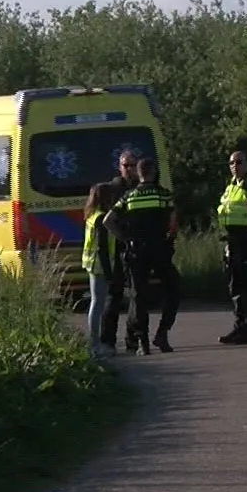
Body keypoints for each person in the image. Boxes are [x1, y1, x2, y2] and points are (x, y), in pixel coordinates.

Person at [106, 157, 180, 354]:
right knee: (173, 289)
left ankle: (142, 343)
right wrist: (169, 240)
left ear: (138, 174)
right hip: (159, 249)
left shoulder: (129, 196)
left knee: (139, 296)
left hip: (136, 250)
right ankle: (162, 333)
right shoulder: (163, 195)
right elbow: (173, 222)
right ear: (154, 172)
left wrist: (125, 238)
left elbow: (108, 220)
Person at [89, 147, 141, 351]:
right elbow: (107, 221)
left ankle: (132, 338)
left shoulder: (141, 187)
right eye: (125, 165)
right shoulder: (113, 189)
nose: (129, 169)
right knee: (114, 296)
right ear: (119, 167)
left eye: (132, 165)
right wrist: (123, 238)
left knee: (137, 295)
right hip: (118, 247)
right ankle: (107, 340)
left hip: (136, 247)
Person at [215, 149, 247, 345]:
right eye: (231, 163)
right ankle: (240, 326)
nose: (235, 166)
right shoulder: (230, 187)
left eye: (239, 162)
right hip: (232, 240)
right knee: (235, 285)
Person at [80, 183, 123, 358]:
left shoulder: (91, 215)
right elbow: (102, 248)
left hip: (92, 264)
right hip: (99, 265)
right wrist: (110, 274)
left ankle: (94, 344)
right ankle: (94, 345)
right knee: (97, 304)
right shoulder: (101, 218)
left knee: (96, 303)